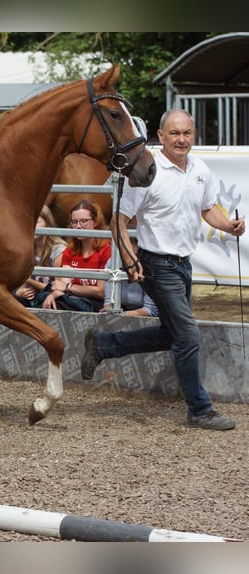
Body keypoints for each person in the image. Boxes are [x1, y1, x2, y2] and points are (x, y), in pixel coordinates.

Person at [81, 109, 245, 431]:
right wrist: (130, 259)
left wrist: (229, 225)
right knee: (187, 333)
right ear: (161, 135)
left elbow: (207, 208)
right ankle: (200, 409)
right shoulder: (147, 172)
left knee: (171, 335)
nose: (182, 139)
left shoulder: (200, 169)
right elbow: (119, 221)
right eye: (175, 134)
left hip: (184, 264)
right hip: (156, 264)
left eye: (187, 133)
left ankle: (102, 345)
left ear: (193, 135)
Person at [42, 199, 111, 312]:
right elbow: (63, 284)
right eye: (74, 222)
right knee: (48, 302)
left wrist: (69, 288)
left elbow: (101, 292)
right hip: (72, 299)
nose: (78, 226)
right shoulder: (70, 250)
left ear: (95, 222)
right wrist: (52, 295)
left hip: (95, 303)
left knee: (60, 305)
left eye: (83, 221)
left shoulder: (106, 250)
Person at [14, 205, 66, 308]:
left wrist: (27, 280)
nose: (31, 226)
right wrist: (19, 292)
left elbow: (58, 288)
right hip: (33, 298)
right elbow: (19, 284)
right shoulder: (25, 249)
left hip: (50, 297)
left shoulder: (59, 250)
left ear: (47, 223)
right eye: (27, 223)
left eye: (36, 222)